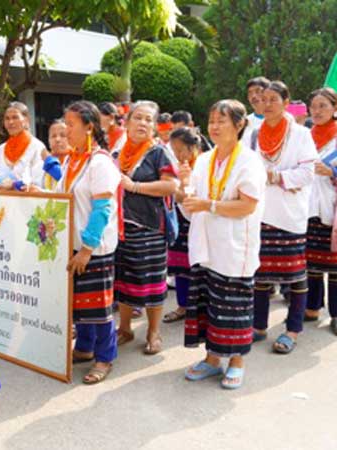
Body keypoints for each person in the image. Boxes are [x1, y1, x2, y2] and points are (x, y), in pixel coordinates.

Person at [180, 99, 266, 390]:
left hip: (233, 247)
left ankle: (237, 362)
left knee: (233, 307)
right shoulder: (205, 159)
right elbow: (193, 200)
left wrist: (209, 205)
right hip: (206, 244)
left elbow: (247, 205)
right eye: (212, 121)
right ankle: (212, 359)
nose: (214, 127)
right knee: (210, 303)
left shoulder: (250, 162)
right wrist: (184, 188)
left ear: (239, 125)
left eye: (221, 121)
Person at [44, 100, 121, 384]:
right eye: (65, 124)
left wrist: (87, 249)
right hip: (73, 245)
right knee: (81, 304)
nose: (66, 131)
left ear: (89, 127)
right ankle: (86, 348)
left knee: (99, 308)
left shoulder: (100, 163)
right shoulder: (72, 160)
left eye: (71, 125)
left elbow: (102, 210)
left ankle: (105, 357)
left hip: (94, 249)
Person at [252, 81, 317, 354]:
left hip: (289, 215)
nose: (266, 104)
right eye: (262, 99)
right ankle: (258, 326)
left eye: (273, 99)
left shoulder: (301, 134)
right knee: (259, 274)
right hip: (259, 213)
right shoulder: (253, 134)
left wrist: (276, 176)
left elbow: (307, 174)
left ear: (286, 102)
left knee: (295, 275)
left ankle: (293, 329)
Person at [114, 101, 178, 354]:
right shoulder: (117, 152)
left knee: (152, 282)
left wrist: (135, 187)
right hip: (120, 229)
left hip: (150, 228)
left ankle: (153, 331)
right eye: (138, 118)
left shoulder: (158, 152)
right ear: (127, 122)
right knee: (124, 280)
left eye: (148, 120)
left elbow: (171, 186)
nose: (142, 123)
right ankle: (125, 328)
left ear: (154, 126)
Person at [305, 87, 337, 333]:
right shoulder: (305, 137)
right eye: (313, 107)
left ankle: (336, 313)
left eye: (323, 106)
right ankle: (312, 307)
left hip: (333, 209)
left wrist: (333, 171)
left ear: (335, 108)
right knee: (311, 262)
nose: (317, 111)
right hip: (308, 208)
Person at [164, 127, 201, 323]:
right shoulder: (175, 166)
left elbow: (188, 196)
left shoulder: (202, 166)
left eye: (181, 150)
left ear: (192, 147)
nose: (178, 154)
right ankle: (182, 306)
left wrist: (180, 190)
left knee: (197, 267)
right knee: (180, 266)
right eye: (174, 150)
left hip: (197, 222)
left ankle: (198, 308)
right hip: (179, 220)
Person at [0, 101, 46, 190]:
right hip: (2, 198)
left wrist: (15, 185)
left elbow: (39, 183)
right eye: (7, 118)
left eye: (15, 117)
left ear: (26, 120)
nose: (11, 122)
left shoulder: (37, 148)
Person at [242, 76, 271, 148]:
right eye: (250, 93)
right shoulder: (244, 123)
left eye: (258, 91)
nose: (253, 96)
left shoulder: (284, 119)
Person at [43, 119, 71, 190]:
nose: (57, 139)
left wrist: (50, 163)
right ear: (48, 141)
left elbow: (66, 182)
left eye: (63, 135)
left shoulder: (77, 160)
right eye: (53, 136)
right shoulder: (41, 162)